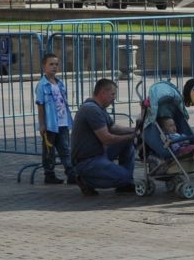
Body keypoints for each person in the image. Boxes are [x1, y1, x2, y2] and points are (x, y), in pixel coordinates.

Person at [71, 77, 140, 194]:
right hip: (87, 161)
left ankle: (125, 184)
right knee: (124, 177)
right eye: (112, 94)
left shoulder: (98, 107)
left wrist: (134, 130)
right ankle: (86, 180)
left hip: (98, 153)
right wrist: (133, 136)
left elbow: (113, 127)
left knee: (126, 142)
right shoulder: (92, 110)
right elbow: (107, 138)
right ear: (103, 93)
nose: (114, 98)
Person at [34, 53, 73, 185]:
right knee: (49, 151)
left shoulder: (60, 83)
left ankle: (71, 173)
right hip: (50, 125)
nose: (54, 67)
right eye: (51, 64)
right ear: (44, 66)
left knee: (65, 149)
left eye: (56, 64)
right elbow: (40, 106)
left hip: (63, 123)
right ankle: (49, 174)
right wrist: (42, 124)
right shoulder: (42, 85)